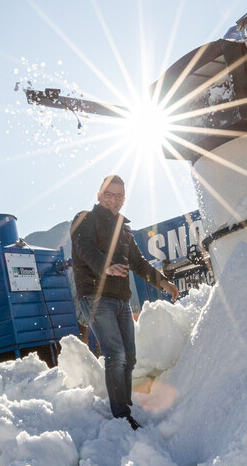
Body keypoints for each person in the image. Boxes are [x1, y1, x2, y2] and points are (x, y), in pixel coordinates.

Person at [70, 175, 179, 429]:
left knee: (129, 357)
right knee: (115, 354)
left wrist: (163, 282)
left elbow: (139, 264)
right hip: (95, 298)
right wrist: (106, 266)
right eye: (109, 195)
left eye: (119, 196)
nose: (114, 201)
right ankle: (120, 415)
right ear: (99, 195)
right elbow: (85, 248)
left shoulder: (125, 230)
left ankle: (125, 406)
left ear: (124, 199)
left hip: (120, 300)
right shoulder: (84, 219)